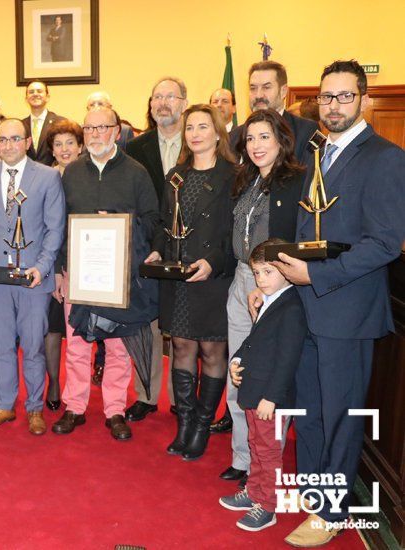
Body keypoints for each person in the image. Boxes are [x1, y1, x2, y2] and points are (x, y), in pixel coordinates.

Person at [250, 60, 405, 547]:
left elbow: (385, 244)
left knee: (340, 414)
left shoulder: (385, 157)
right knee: (310, 412)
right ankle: (313, 500)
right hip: (306, 305)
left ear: (362, 99)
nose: (333, 106)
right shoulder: (317, 150)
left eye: (344, 96)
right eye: (326, 97)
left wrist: (316, 275)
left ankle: (332, 510)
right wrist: (278, 279)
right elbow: (306, 232)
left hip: (348, 309)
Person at [53, 107, 160, 440]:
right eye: (89, 128)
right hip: (78, 272)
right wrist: (58, 269)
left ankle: (114, 409)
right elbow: (58, 224)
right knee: (77, 344)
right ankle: (75, 407)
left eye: (102, 127)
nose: (95, 134)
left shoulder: (136, 173)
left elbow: (152, 219)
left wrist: (116, 222)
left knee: (117, 345)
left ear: (117, 131)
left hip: (119, 275)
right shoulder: (71, 173)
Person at [219, 109, 305, 485]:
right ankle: (243, 457)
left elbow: (298, 243)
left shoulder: (297, 182)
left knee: (265, 376)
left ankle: (264, 466)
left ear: (282, 140)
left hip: (274, 285)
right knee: (238, 372)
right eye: (250, 139)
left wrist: (268, 279)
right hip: (242, 279)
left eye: (264, 137)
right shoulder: (246, 180)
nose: (256, 146)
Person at [145, 104, 236, 461]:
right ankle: (184, 422)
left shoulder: (235, 176)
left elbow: (235, 232)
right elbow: (164, 223)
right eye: (190, 128)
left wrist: (213, 262)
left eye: (203, 126)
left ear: (218, 132)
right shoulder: (176, 177)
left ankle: (202, 424)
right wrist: (156, 251)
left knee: (213, 350)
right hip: (179, 276)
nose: (195, 133)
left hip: (214, 276)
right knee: (182, 346)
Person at [0, 119, 65, 436]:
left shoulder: (48, 177)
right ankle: (4, 405)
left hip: (33, 278)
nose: (8, 145)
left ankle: (34, 409)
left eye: (14, 139)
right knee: (2, 346)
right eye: (1, 139)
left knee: (34, 347)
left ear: (26, 141)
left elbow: (55, 227)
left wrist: (44, 265)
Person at [219, 238, 307, 532]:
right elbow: (253, 341)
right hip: (254, 393)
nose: (261, 279)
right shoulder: (269, 302)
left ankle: (268, 506)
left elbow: (287, 359)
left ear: (285, 269)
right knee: (256, 445)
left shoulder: (292, 307)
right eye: (257, 273)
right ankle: (254, 493)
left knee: (269, 452)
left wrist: (272, 397)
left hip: (271, 399)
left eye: (268, 272)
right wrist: (237, 359)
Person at [126, 76, 190, 422]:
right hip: (148, 248)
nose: (162, 103)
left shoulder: (197, 142)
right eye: (156, 97)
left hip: (190, 248)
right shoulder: (136, 148)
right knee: (146, 325)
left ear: (183, 102)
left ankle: (183, 400)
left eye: (170, 96)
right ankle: (146, 396)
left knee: (184, 329)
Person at [41, 119, 84, 410]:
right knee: (53, 328)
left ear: (80, 147)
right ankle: (54, 382)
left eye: (70, 142)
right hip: (52, 263)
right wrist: (54, 269)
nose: (64, 149)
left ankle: (80, 391)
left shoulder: (89, 176)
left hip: (86, 263)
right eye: (58, 144)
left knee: (82, 332)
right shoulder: (44, 178)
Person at [230, 61, 318, 165]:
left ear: (283, 91)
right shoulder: (234, 136)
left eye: (266, 87)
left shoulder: (306, 130)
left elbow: (310, 175)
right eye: (253, 88)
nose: (258, 95)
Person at [22, 81, 67, 165]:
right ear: (26, 99)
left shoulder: (61, 123)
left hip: (53, 174)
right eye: (31, 92)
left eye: (39, 91)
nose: (35, 94)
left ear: (47, 97)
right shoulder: (20, 125)